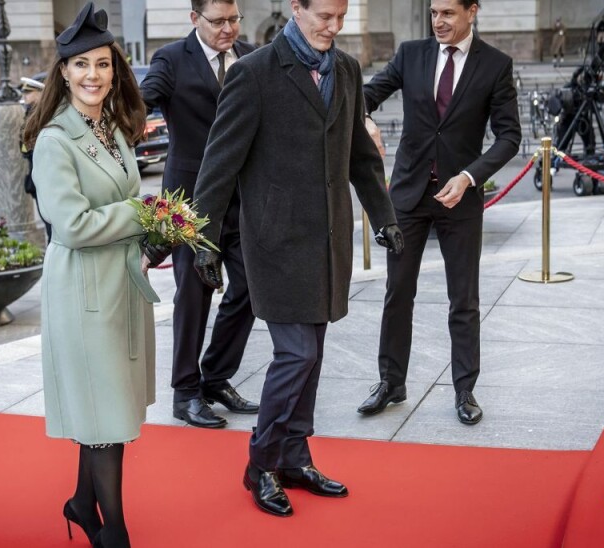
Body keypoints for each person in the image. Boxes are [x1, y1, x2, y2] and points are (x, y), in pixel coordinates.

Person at [192, 0, 405, 517]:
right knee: (298, 354)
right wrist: (203, 239)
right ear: (296, 8)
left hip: (328, 242)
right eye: (324, 17)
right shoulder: (253, 74)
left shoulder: (348, 70)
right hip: (275, 243)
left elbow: (359, 155)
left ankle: (294, 455)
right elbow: (219, 165)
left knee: (313, 355)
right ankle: (261, 461)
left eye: (341, 16)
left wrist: (385, 217)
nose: (335, 27)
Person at [23, 4, 169, 546]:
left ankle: (82, 504)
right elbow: (74, 224)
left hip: (118, 284)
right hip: (84, 289)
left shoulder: (109, 127)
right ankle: (115, 533)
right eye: (81, 65)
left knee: (108, 407)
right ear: (62, 72)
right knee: (104, 415)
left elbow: (120, 198)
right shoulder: (55, 140)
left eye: (103, 65)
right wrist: (143, 213)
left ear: (116, 69)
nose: (93, 76)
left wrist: (156, 228)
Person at [356, 0, 521, 425]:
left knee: (463, 299)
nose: (439, 21)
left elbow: (509, 137)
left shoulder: (496, 65)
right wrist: (364, 118)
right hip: (408, 195)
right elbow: (364, 95)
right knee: (397, 294)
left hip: (460, 198)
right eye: (433, 13)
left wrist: (470, 176)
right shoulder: (411, 54)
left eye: (448, 12)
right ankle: (391, 382)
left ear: (472, 11)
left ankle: (465, 390)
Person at [140, 0, 259, 429]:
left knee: (250, 289)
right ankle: (185, 392)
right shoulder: (171, 59)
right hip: (187, 203)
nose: (228, 29)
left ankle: (216, 376)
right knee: (193, 295)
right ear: (195, 19)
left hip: (241, 198)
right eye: (219, 21)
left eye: (234, 19)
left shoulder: (250, 56)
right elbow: (145, 97)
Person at [19, 71, 51, 241]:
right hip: (37, 177)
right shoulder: (31, 112)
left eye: (28, 92)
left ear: (40, 93)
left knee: (52, 227)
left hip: (45, 179)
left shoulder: (39, 114)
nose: (25, 96)